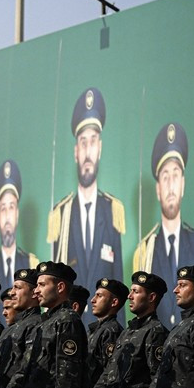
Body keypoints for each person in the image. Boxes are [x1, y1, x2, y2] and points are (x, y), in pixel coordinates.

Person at [132, 123, 194, 329]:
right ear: (158, 189)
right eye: (165, 176)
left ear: (183, 184)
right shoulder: (146, 249)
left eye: (175, 175)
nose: (171, 185)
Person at [49, 88, 125, 293]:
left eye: (92, 142)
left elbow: (117, 281)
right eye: (83, 142)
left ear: (99, 148)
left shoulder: (112, 211)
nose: (88, 151)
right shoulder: (61, 214)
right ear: (76, 151)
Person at [0, 160, 39, 324]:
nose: (8, 216)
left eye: (12, 207)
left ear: (18, 214)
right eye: (3, 208)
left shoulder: (32, 262)